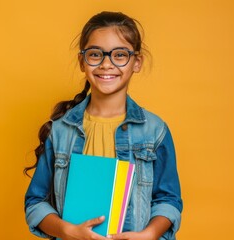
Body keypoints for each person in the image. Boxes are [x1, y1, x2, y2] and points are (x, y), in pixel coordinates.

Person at [24, 11, 183, 240]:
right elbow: (35, 203)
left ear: (136, 62)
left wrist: (149, 234)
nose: (106, 64)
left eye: (119, 55)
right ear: (82, 61)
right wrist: (69, 231)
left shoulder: (155, 131)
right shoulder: (60, 131)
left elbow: (168, 200)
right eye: (95, 54)